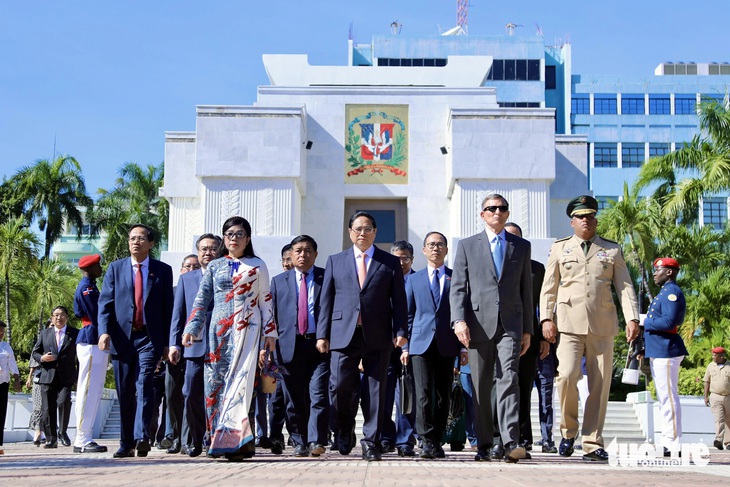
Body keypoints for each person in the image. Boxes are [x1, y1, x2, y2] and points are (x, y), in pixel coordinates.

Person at [540, 195, 639, 463]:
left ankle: (592, 442)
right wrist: (546, 319)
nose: (586, 220)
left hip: (602, 324)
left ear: (595, 220)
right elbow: (549, 286)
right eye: (581, 217)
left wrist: (632, 318)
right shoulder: (560, 248)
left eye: (590, 216)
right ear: (572, 221)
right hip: (568, 323)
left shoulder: (611, 250)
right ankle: (568, 432)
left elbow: (625, 286)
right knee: (568, 376)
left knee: (600, 384)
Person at [182, 216, 278, 461]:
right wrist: (192, 328)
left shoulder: (258, 265)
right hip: (219, 332)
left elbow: (265, 299)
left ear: (248, 238)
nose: (234, 238)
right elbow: (202, 299)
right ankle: (216, 439)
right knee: (215, 385)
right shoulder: (215, 266)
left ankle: (240, 443)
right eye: (229, 234)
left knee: (242, 386)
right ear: (224, 238)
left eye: (239, 234)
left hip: (248, 329)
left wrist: (270, 333)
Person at [317, 211, 408, 462]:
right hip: (342, 335)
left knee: (376, 391)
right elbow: (326, 302)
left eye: (367, 229)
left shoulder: (389, 262)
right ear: (349, 232)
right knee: (339, 388)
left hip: (378, 335)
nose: (362, 233)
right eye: (357, 229)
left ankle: (371, 441)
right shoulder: (336, 260)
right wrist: (322, 335)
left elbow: (399, 301)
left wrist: (401, 331)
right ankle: (344, 431)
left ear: (375, 232)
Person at [450, 193, 533, 463]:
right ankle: (485, 443)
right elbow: (458, 287)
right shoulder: (466, 246)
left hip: (510, 324)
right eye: (491, 208)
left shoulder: (521, 246)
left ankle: (510, 442)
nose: (497, 212)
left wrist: (528, 330)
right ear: (483, 214)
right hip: (476, 325)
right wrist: (458, 321)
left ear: (507, 213)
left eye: (502, 208)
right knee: (481, 385)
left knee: (508, 377)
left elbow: (526, 290)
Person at [98, 223, 174, 459]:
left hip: (149, 339)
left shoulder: (162, 270)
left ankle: (142, 437)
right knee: (125, 390)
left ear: (150, 243)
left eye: (141, 238)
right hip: (122, 339)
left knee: (144, 385)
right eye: (132, 238)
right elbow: (105, 304)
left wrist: (167, 342)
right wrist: (103, 332)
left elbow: (167, 307)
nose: (135, 242)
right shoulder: (115, 269)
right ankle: (126, 442)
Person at [402, 231, 463, 459]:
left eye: (440, 245)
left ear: (446, 250)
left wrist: (463, 348)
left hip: (447, 343)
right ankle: (426, 440)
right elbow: (408, 315)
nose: (435, 248)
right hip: (420, 344)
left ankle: (437, 440)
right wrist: (405, 346)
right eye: (431, 245)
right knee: (423, 394)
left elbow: (461, 312)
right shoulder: (413, 279)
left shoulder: (455, 278)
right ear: (424, 250)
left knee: (442, 396)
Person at [270, 235, 329, 457]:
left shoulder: (326, 277)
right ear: (291, 255)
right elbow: (271, 316)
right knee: (293, 398)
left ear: (315, 254)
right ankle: (298, 440)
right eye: (298, 251)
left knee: (318, 394)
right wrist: (268, 347)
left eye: (307, 251)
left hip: (319, 345)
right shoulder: (278, 281)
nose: (302, 255)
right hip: (288, 347)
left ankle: (316, 440)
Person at [169, 234, 220, 457]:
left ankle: (215, 439)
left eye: (212, 249)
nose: (208, 253)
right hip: (194, 347)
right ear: (197, 252)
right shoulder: (186, 280)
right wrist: (174, 344)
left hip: (221, 346)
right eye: (203, 249)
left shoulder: (228, 276)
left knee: (218, 395)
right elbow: (178, 314)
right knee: (190, 392)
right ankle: (196, 438)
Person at [503, 222, 547, 457]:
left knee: (523, 389)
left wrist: (543, 338)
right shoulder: (494, 265)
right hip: (499, 337)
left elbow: (541, 306)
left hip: (528, 338)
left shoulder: (537, 269)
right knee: (502, 387)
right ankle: (501, 436)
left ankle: (524, 438)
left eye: (515, 238)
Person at [640, 257, 688, 456]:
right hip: (659, 350)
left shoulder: (672, 293)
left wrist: (644, 321)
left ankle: (673, 443)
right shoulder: (664, 293)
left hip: (666, 350)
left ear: (669, 272)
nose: (654, 273)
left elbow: (668, 322)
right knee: (664, 397)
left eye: (658, 269)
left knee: (668, 397)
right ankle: (667, 440)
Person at [379, 240, 417, 457]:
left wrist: (407, 345)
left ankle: (405, 440)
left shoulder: (418, 280)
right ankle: (385, 437)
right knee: (383, 396)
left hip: (408, 349)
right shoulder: (382, 278)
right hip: (384, 346)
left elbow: (416, 318)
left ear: (412, 259)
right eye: (397, 258)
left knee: (406, 397)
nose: (401, 262)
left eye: (405, 258)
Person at [163, 254, 202, 454]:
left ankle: (187, 439)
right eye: (188, 266)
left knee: (190, 393)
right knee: (172, 395)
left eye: (196, 266)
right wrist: (170, 345)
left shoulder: (207, 286)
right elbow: (172, 320)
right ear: (181, 269)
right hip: (175, 351)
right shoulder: (172, 292)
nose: (192, 269)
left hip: (197, 349)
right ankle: (175, 435)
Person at [72, 254, 109, 453]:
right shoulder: (87, 288)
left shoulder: (91, 286)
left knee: (94, 390)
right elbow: (98, 315)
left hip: (94, 340)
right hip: (91, 340)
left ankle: (85, 435)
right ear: (91, 268)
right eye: (98, 266)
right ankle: (81, 438)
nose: (101, 268)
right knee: (87, 390)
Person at [32, 306, 79, 449]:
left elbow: (80, 356)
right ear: (52, 317)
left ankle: (63, 432)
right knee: (48, 409)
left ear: (67, 317)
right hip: (47, 375)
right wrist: (42, 358)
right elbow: (35, 352)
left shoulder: (75, 333)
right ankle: (51, 439)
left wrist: (77, 376)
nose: (59, 318)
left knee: (63, 402)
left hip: (66, 376)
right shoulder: (45, 333)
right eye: (56, 315)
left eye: (62, 315)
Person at [0, 320, 21, 455]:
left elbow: (12, 363)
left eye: (2, 331)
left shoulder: (6, 346)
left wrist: (17, 379)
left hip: (3, 383)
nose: (1, 333)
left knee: (1, 413)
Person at [704, 346, 730, 450]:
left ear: (722, 356)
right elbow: (706, 381)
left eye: (715, 355)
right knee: (719, 419)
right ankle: (719, 440)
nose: (713, 357)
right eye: (713, 354)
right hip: (715, 396)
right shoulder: (710, 366)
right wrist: (705, 396)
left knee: (729, 420)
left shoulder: (729, 365)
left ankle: (728, 443)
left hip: (728, 396)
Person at [27, 351, 45, 446]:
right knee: (38, 406)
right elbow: (33, 364)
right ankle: (37, 432)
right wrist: (29, 378)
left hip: (51, 378)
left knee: (47, 407)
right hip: (38, 378)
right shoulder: (37, 347)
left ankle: (43, 433)